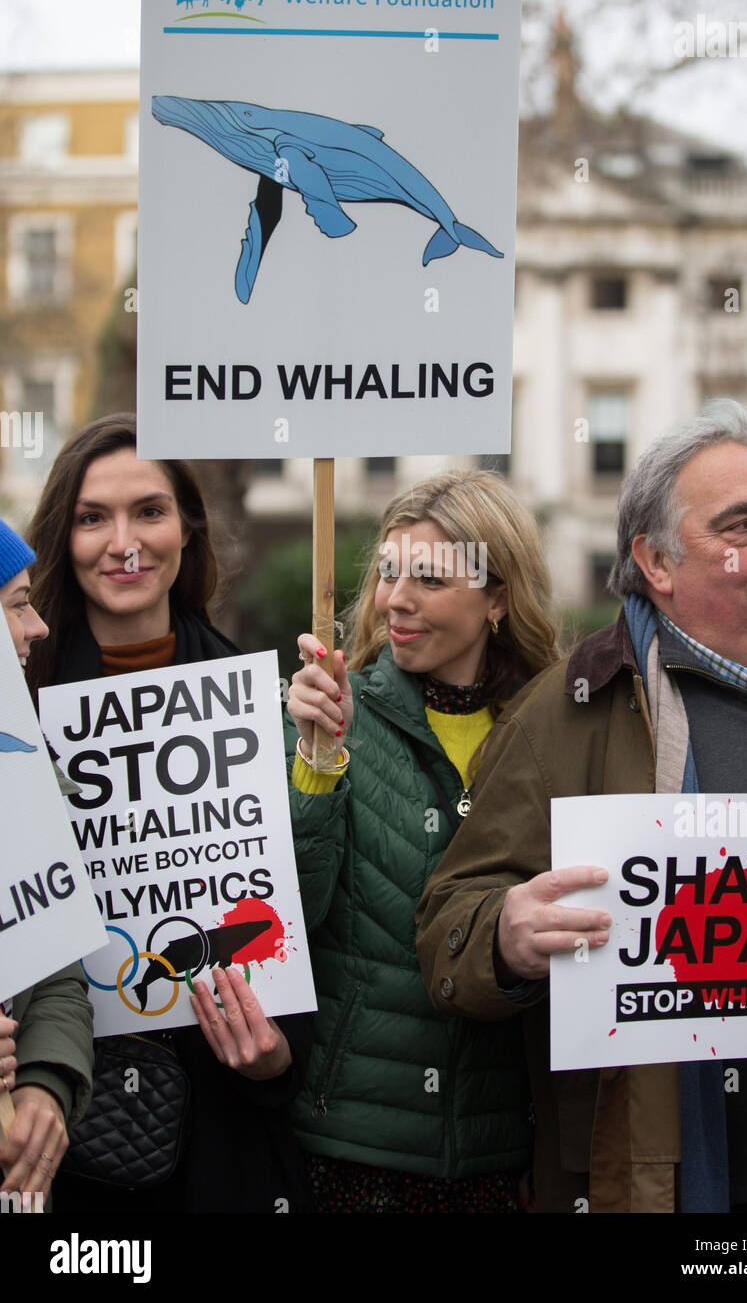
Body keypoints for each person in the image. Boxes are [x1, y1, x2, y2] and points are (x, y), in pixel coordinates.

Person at [417, 400, 747, 1214]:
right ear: (656, 563)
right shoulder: (572, 710)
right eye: (739, 527)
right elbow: (450, 927)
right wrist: (506, 936)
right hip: (681, 1185)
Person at [25, 413, 311, 1213]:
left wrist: (279, 1056)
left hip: (219, 1129)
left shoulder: (261, 702)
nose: (125, 542)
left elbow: (305, 912)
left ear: (187, 529)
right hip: (55, 1130)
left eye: (148, 511)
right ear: (63, 535)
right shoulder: (16, 705)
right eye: (92, 517)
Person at [285, 469, 559, 1211]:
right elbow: (287, 925)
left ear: (498, 598)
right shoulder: (331, 718)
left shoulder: (556, 731)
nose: (396, 600)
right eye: (388, 572)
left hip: (509, 1156)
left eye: (429, 579)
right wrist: (313, 762)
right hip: (356, 1149)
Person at [0, 517, 93, 1206]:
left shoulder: (29, 781)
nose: (36, 627)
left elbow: (57, 975)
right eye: (14, 604)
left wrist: (46, 1083)